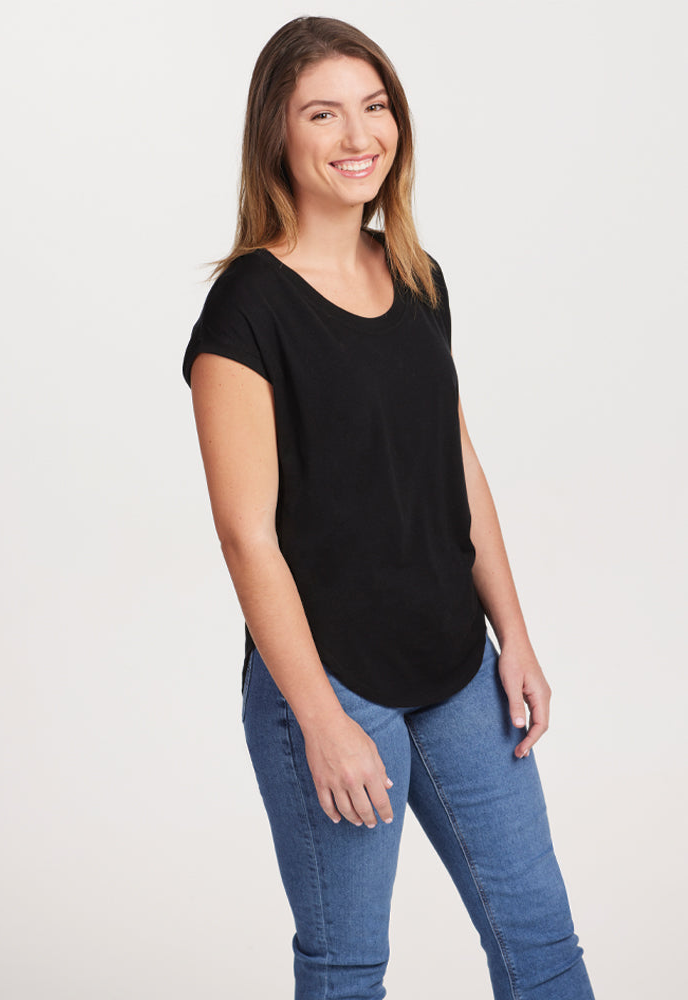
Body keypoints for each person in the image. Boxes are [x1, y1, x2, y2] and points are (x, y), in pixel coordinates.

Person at [182, 15, 595, 1000]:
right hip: (330, 683)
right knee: (347, 967)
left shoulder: (415, 278)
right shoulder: (244, 310)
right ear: (277, 136)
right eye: (322, 113)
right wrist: (320, 718)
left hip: (456, 668)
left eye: (374, 108)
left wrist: (517, 638)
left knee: (540, 947)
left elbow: (454, 463)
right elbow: (246, 536)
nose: (356, 134)